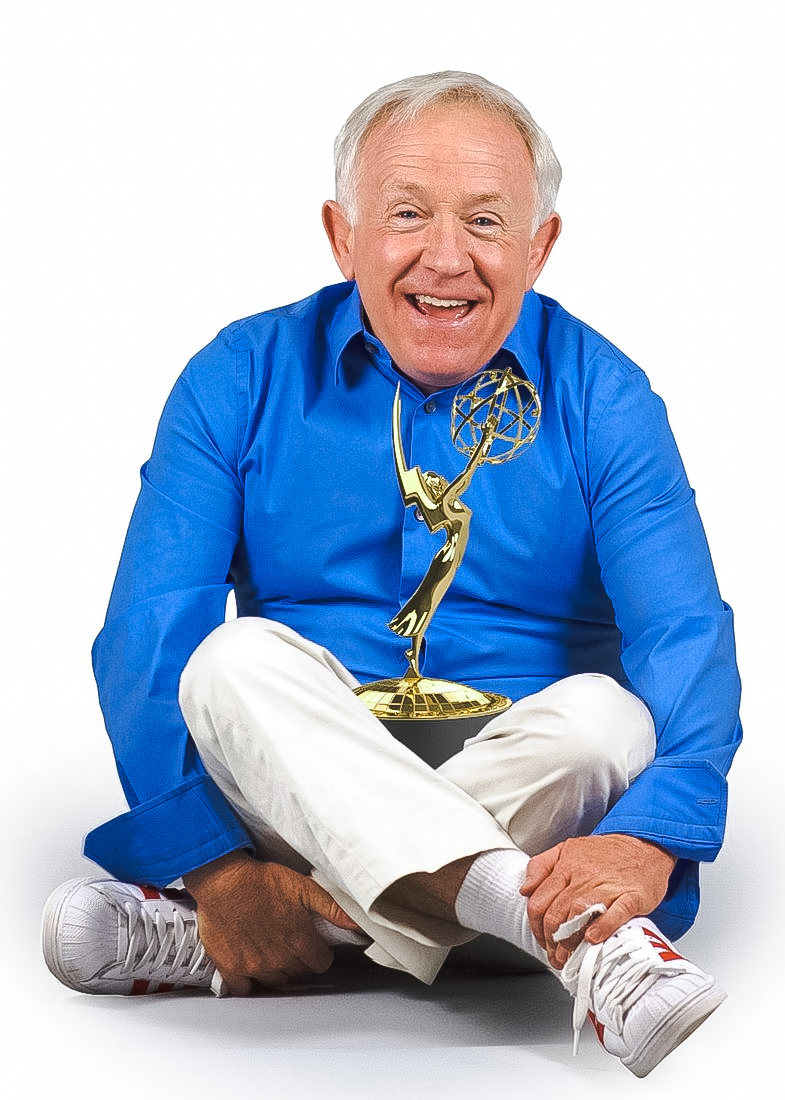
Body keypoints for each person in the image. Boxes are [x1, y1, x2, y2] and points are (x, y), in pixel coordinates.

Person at [41, 71, 741, 1078]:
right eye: (406, 214)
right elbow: (149, 633)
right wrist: (214, 856)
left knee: (607, 720)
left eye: (485, 221)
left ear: (537, 246)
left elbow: (684, 632)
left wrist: (647, 835)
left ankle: (272, 933)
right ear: (342, 235)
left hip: (527, 778)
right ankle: (554, 929)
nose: (443, 257)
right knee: (228, 661)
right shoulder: (238, 376)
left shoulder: (604, 395)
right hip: (295, 776)